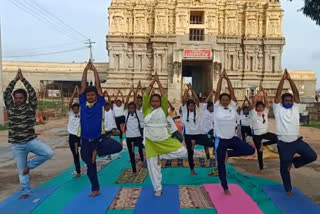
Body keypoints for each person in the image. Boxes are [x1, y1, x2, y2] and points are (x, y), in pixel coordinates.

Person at [4, 69, 54, 199]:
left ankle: (29, 166)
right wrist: (15, 80)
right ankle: (26, 191)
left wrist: (23, 79)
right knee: (21, 172)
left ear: (25, 99)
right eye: (16, 98)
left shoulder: (30, 107)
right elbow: (6, 93)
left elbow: (32, 93)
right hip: (17, 145)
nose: (18, 100)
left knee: (48, 153)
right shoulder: (10, 107)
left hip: (31, 141)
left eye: (21, 98)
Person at [79, 61, 122, 197]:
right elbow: (83, 85)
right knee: (89, 164)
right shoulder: (82, 103)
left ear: (96, 96)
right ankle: (95, 188)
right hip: (85, 140)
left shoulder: (100, 104)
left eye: (93, 95)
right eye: (88, 95)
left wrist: (95, 71)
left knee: (118, 147)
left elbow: (98, 86)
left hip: (99, 139)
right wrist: (86, 71)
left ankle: (97, 151)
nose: (90, 96)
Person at [274, 69, 317, 196]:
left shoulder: (295, 107)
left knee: (312, 156)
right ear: (282, 102)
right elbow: (277, 94)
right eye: (286, 101)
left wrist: (290, 80)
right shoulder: (277, 109)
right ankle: (288, 189)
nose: (289, 102)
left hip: (297, 142)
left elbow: (296, 94)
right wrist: (282, 79)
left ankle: (295, 162)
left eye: (290, 101)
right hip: (284, 144)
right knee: (284, 169)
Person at [143, 72, 187, 197]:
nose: (155, 103)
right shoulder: (146, 109)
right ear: (150, 102)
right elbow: (146, 94)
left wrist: (159, 82)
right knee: (153, 167)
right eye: (153, 101)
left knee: (183, 151)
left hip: (163, 138)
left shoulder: (162, 109)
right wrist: (152, 82)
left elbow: (164, 95)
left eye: (157, 101)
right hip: (150, 141)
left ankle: (161, 155)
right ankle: (157, 188)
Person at [213, 70, 255, 195]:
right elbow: (218, 91)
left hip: (232, 138)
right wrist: (220, 79)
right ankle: (225, 187)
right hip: (221, 140)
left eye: (227, 99)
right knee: (221, 165)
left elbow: (231, 92)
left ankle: (229, 153)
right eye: (223, 99)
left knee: (250, 150)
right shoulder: (216, 107)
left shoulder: (232, 107)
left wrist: (228, 79)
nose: (225, 100)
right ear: (220, 100)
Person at [181, 84, 211, 175]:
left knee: (210, 143)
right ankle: (192, 168)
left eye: (192, 106)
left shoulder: (197, 110)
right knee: (190, 152)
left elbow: (197, 100)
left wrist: (192, 89)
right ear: (187, 106)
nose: (191, 107)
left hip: (198, 134)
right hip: (188, 135)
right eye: (189, 106)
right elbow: (183, 100)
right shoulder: (184, 110)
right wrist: (187, 90)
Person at [250, 84, 277, 170]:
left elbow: (267, 102)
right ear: (256, 108)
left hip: (265, 133)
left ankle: (264, 144)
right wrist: (258, 92)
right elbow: (254, 102)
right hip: (257, 135)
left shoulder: (265, 112)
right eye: (258, 107)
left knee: (278, 138)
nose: (260, 108)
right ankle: (261, 167)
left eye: (261, 107)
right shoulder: (253, 113)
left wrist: (264, 91)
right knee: (259, 151)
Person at [123, 86, 145, 173]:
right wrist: (130, 93)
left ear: (135, 108)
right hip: (129, 137)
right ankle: (134, 169)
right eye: (130, 108)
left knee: (141, 148)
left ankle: (142, 159)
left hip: (138, 136)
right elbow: (126, 103)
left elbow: (136, 103)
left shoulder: (138, 113)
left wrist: (135, 93)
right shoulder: (125, 113)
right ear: (128, 109)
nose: (131, 109)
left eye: (133, 108)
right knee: (131, 153)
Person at [67, 86, 81, 178]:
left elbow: (81, 102)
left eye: (77, 109)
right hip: (72, 136)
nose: (76, 110)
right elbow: (70, 103)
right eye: (74, 109)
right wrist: (74, 92)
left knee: (84, 152)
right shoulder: (71, 114)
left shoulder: (81, 113)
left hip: (80, 136)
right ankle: (78, 171)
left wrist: (78, 92)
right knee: (75, 154)